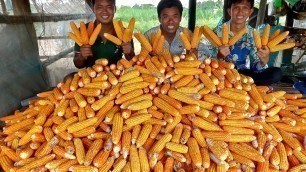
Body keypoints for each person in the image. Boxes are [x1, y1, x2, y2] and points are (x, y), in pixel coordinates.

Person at [212, 0, 282, 85]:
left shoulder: (253, 34)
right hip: (223, 74)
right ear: (229, 11)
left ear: (250, 11)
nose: (240, 12)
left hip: (244, 74)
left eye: (245, 8)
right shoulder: (216, 32)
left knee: (276, 73)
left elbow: (255, 67)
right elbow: (208, 62)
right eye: (236, 8)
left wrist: (263, 62)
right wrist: (219, 56)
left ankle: (244, 83)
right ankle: (242, 84)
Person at [74, 0, 135, 68]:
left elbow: (132, 61)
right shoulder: (82, 31)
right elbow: (78, 65)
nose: (105, 11)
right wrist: (82, 57)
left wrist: (130, 52)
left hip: (116, 75)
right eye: (99, 7)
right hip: (91, 76)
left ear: (114, 9)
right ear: (93, 9)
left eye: (109, 6)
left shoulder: (125, 32)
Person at [144, 0, 210, 59]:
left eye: (175, 16)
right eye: (166, 17)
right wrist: (148, 57)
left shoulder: (188, 34)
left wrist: (197, 54)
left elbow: (206, 53)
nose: (170, 21)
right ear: (159, 18)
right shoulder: (148, 36)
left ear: (180, 18)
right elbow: (140, 59)